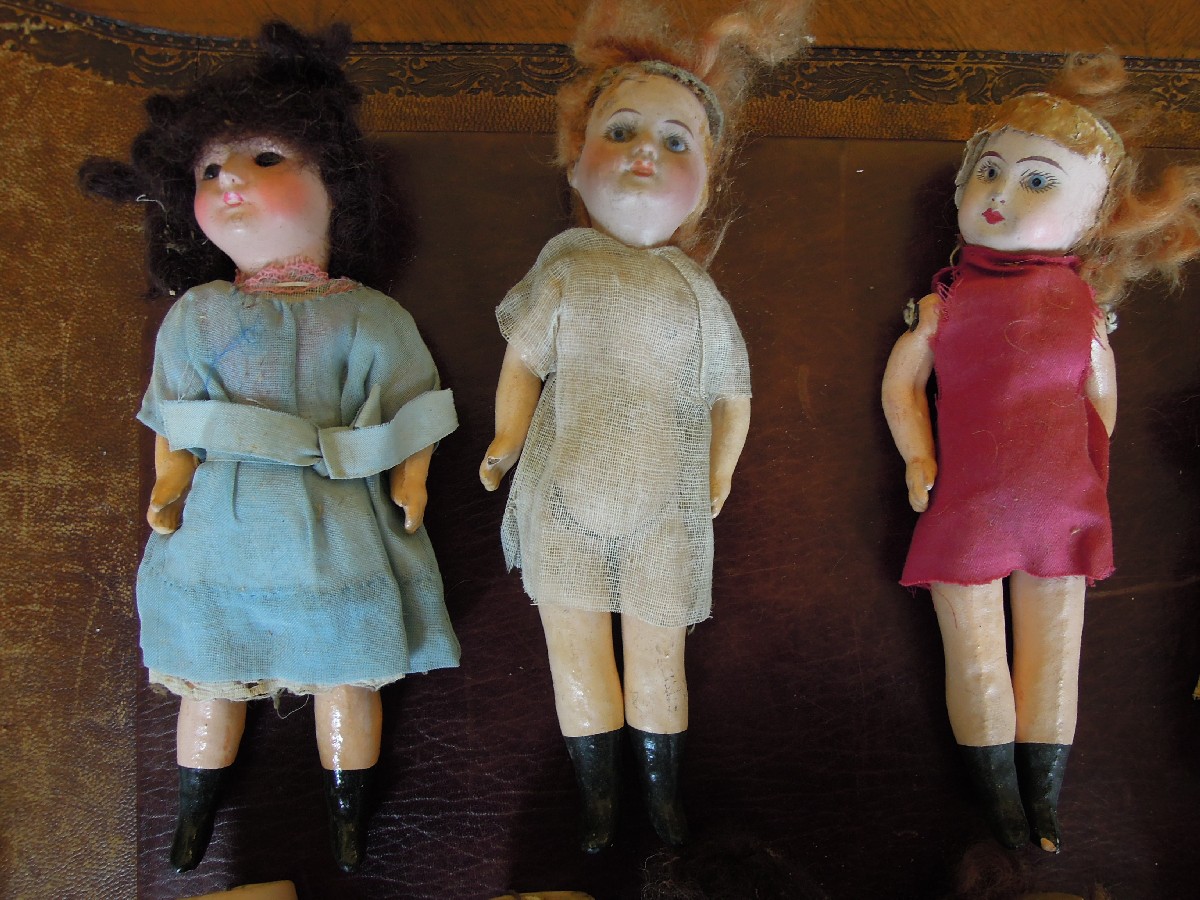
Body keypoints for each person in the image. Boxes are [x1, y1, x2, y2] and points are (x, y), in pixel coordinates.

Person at [79, 22, 459, 873]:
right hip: (225, 522)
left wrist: (412, 480)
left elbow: (413, 407)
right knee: (210, 672)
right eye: (210, 171)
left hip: (336, 513)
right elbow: (175, 418)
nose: (231, 183)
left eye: (263, 158)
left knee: (346, 671)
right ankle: (193, 813)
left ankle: (348, 815)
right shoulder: (198, 315)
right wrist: (168, 484)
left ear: (335, 187)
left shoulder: (370, 315)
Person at [480, 0, 812, 852]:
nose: (643, 153)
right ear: (578, 158)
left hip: (668, 510)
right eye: (621, 131)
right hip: (564, 498)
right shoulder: (565, 270)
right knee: (576, 654)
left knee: (661, 660)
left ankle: (663, 803)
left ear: (706, 178)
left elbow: (733, 394)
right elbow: (523, 363)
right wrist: (506, 441)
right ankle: (598, 804)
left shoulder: (696, 292)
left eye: (675, 142)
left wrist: (719, 472)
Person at [882, 51, 1200, 852]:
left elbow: (1100, 395)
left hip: (1061, 501)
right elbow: (902, 386)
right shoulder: (944, 300)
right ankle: (1002, 802)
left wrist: (1087, 463)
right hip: (966, 501)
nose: (1000, 193)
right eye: (988, 172)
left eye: (1037, 181)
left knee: (1055, 657)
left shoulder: (1082, 305)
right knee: (977, 658)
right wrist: (918, 456)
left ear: (1092, 216)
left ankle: (1042, 805)